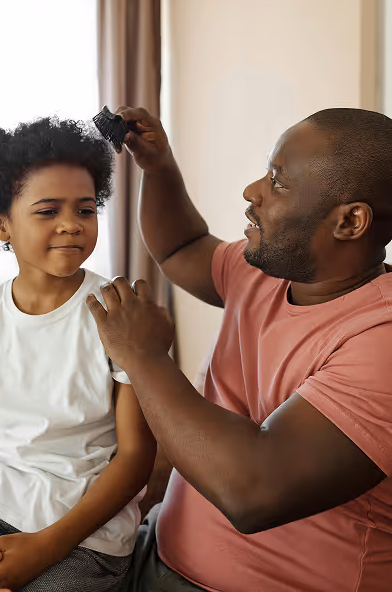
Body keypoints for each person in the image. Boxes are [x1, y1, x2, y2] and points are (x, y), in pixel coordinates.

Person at [86, 107, 392, 592]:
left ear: (350, 221)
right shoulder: (265, 270)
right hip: (158, 553)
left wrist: (144, 357)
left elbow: (253, 492)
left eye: (278, 180)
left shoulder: (380, 339)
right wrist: (159, 167)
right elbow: (181, 248)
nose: (253, 191)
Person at [0, 117, 156, 592]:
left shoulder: (118, 313)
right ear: (1, 225)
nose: (71, 224)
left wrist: (46, 546)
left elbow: (136, 455)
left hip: (87, 533)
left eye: (85, 209)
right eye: (47, 211)